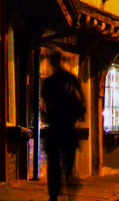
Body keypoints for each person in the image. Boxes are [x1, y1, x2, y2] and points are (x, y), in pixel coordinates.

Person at [40, 47, 86, 201]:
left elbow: (44, 104)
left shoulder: (49, 83)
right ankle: (67, 182)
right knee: (67, 163)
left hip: (55, 129)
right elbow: (82, 102)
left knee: (54, 164)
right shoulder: (70, 79)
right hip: (67, 129)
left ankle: (54, 194)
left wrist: (48, 115)